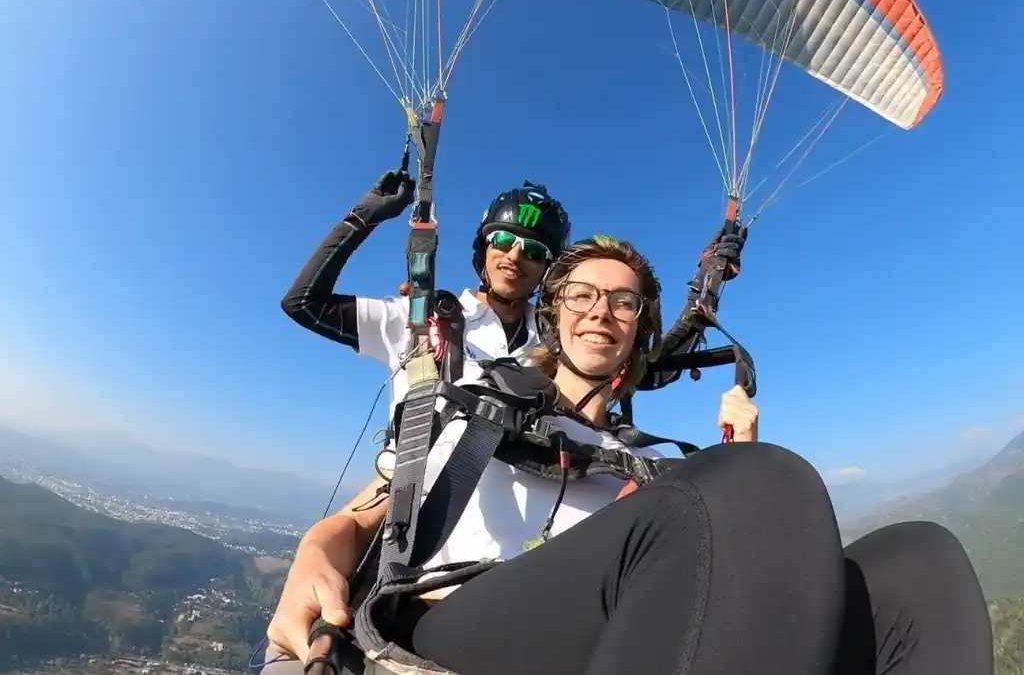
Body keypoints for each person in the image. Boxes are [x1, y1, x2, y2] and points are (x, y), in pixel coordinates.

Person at [264, 235, 994, 675]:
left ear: (638, 330)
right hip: (448, 621)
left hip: (596, 636)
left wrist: (733, 460)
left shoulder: (641, 461)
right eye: (581, 293)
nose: (599, 310)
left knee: (917, 563)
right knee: (767, 483)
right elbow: (366, 517)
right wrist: (313, 554)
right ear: (555, 314)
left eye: (622, 302)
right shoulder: (473, 398)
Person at [281, 171, 572, 417]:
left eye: (535, 251)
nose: (515, 256)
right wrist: (365, 215)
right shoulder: (421, 316)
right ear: (484, 249)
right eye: (504, 240)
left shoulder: (559, 340)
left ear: (548, 269)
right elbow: (304, 303)